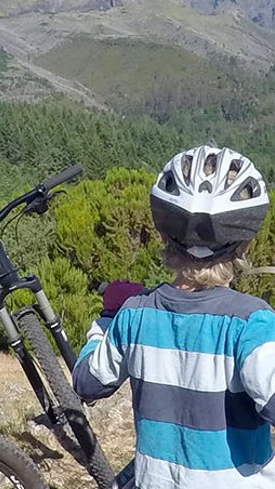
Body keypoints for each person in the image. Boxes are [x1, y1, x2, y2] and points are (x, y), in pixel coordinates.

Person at [72, 146, 275, 489]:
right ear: (246, 244)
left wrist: (108, 318)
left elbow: (87, 382)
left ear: (163, 234)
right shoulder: (250, 323)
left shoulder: (134, 314)